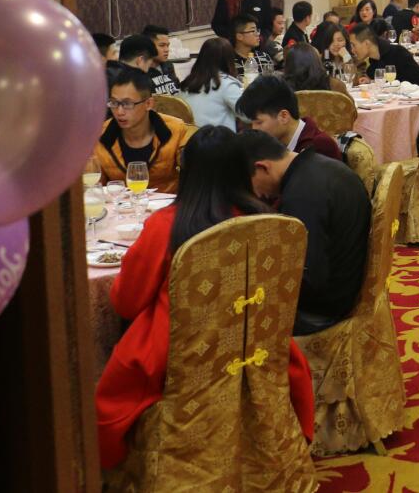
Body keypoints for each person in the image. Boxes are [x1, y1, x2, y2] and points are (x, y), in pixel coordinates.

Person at [94, 126, 313, 470]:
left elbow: (126, 302)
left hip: (181, 356)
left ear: (186, 172)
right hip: (253, 347)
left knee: (108, 389)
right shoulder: (268, 222)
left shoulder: (165, 226)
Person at [238, 130, 371, 336]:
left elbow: (308, 277)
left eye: (248, 185)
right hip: (343, 285)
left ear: (262, 167)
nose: (255, 194)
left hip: (323, 309)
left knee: (234, 315)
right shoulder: (319, 166)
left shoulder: (302, 194)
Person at [86, 69, 192, 192]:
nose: (119, 112)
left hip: (168, 202)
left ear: (148, 104)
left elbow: (193, 179)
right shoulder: (101, 136)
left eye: (127, 104)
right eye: (114, 103)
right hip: (121, 203)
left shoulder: (176, 130)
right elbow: (96, 187)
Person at [236, 75, 342, 159]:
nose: (254, 128)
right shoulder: (272, 144)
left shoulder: (319, 146)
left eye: (259, 122)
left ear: (284, 116)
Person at [178, 37, 243, 130]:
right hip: (218, 137)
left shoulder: (187, 83)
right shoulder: (226, 84)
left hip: (190, 137)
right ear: (229, 59)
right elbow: (248, 116)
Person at [349, 22, 419, 88]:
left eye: (354, 45)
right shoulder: (374, 61)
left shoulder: (398, 53)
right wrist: (371, 82)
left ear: (366, 43)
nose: (352, 50)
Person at [141, 25, 180, 92]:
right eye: (162, 45)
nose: (167, 50)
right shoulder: (140, 73)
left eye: (167, 45)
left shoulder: (168, 65)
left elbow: (177, 88)